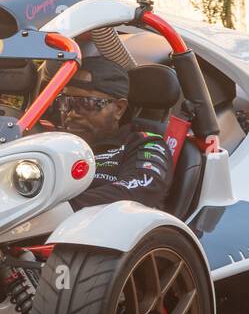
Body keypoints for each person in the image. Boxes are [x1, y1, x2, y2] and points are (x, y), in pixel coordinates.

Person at [49, 55, 174, 211]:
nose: (72, 113)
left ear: (119, 109)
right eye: (65, 102)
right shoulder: (51, 143)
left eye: (85, 103)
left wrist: (57, 210)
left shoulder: (144, 143)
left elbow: (144, 186)